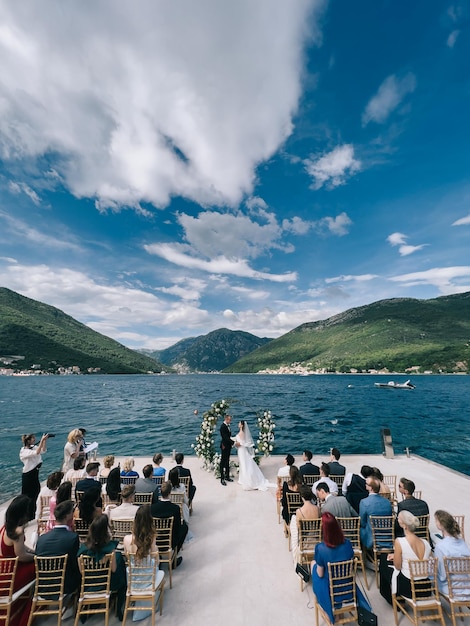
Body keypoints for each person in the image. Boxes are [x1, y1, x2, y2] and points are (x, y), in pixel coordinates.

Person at [311, 512, 371, 624]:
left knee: (314, 567)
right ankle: (338, 612)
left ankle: (330, 612)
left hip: (331, 588)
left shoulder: (320, 548)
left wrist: (313, 565)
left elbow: (320, 574)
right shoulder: (348, 544)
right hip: (347, 585)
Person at [78, 514, 127, 621]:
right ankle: (119, 610)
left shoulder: (82, 551)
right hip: (107, 583)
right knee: (122, 578)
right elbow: (113, 569)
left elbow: (82, 572)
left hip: (89, 584)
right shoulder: (110, 551)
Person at [379, 510, 432, 604]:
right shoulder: (426, 543)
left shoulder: (400, 542)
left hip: (409, 588)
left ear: (404, 525)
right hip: (425, 588)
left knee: (384, 560)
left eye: (398, 519)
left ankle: (392, 599)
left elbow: (398, 566)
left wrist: (396, 557)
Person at [123, 505, 165, 622]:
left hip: (133, 578)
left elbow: (127, 557)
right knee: (160, 571)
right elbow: (156, 561)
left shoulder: (126, 539)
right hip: (147, 578)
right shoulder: (151, 538)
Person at [0, 495, 35, 626]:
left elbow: (20, 549)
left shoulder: (5, 528)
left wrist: (31, 551)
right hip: (17, 568)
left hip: (6, 568)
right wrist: (36, 557)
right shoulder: (18, 531)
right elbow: (21, 555)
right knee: (40, 567)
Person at [36, 500, 81, 596]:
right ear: (67, 516)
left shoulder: (42, 538)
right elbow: (75, 565)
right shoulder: (72, 538)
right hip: (66, 586)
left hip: (43, 587)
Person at [433, 509, 470, 596]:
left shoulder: (440, 546)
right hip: (466, 585)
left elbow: (442, 575)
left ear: (441, 525)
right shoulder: (462, 543)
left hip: (451, 587)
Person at [232, 420, 272, 491]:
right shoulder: (242, 433)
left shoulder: (242, 433)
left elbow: (242, 443)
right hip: (241, 450)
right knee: (243, 463)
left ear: (242, 425)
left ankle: (246, 481)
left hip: (241, 450)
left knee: (244, 464)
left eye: (239, 423)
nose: (238, 424)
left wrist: (236, 443)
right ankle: (242, 479)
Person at [151, 481, 188, 559]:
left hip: (155, 539)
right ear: (170, 492)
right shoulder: (175, 508)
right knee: (184, 527)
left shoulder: (152, 508)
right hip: (170, 541)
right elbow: (177, 526)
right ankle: (174, 556)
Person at [19, 432, 49, 518]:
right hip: (28, 475)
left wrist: (44, 442)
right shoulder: (24, 451)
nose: (34, 440)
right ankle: (25, 514)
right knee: (28, 496)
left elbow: (42, 450)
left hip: (35, 473)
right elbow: (36, 452)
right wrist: (42, 440)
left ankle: (32, 514)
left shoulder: (34, 447)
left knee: (36, 493)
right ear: (28, 441)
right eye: (32, 438)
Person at [359, 476, 392, 550]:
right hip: (387, 537)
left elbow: (363, 522)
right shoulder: (387, 502)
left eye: (366, 484)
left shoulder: (364, 502)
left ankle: (364, 555)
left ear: (370, 488)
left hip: (372, 538)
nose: (365, 485)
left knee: (360, 529)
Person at [290, 484, 319, 564]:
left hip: (305, 541)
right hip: (315, 538)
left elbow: (299, 528)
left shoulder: (299, 511)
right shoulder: (317, 509)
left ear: (302, 496)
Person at [219, 414, 234, 486]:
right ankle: (222, 478)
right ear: (226, 419)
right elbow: (225, 437)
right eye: (229, 419)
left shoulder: (228, 426)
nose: (230, 421)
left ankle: (227, 476)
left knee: (227, 460)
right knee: (223, 462)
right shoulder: (223, 427)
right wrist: (233, 442)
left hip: (228, 446)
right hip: (224, 446)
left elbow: (229, 436)